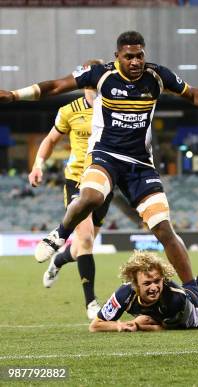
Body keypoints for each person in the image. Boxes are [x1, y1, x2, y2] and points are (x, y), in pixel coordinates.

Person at [0, 31, 198, 288]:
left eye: (139, 55)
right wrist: (13, 95)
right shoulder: (101, 75)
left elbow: (193, 94)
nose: (135, 61)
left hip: (140, 164)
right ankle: (59, 234)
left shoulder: (157, 76)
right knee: (92, 196)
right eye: (129, 56)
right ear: (117, 56)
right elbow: (54, 86)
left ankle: (195, 291)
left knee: (164, 229)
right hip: (105, 155)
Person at [28, 59, 110, 319]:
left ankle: (59, 260)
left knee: (80, 247)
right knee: (84, 238)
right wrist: (38, 165)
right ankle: (91, 304)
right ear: (85, 81)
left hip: (106, 180)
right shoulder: (69, 110)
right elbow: (51, 139)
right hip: (76, 180)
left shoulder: (114, 109)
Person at [89, 251, 198, 332]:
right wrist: (120, 326)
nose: (154, 287)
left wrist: (137, 325)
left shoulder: (175, 299)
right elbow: (95, 325)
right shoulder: (124, 294)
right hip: (171, 315)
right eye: (147, 283)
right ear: (135, 284)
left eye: (157, 281)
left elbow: (163, 328)